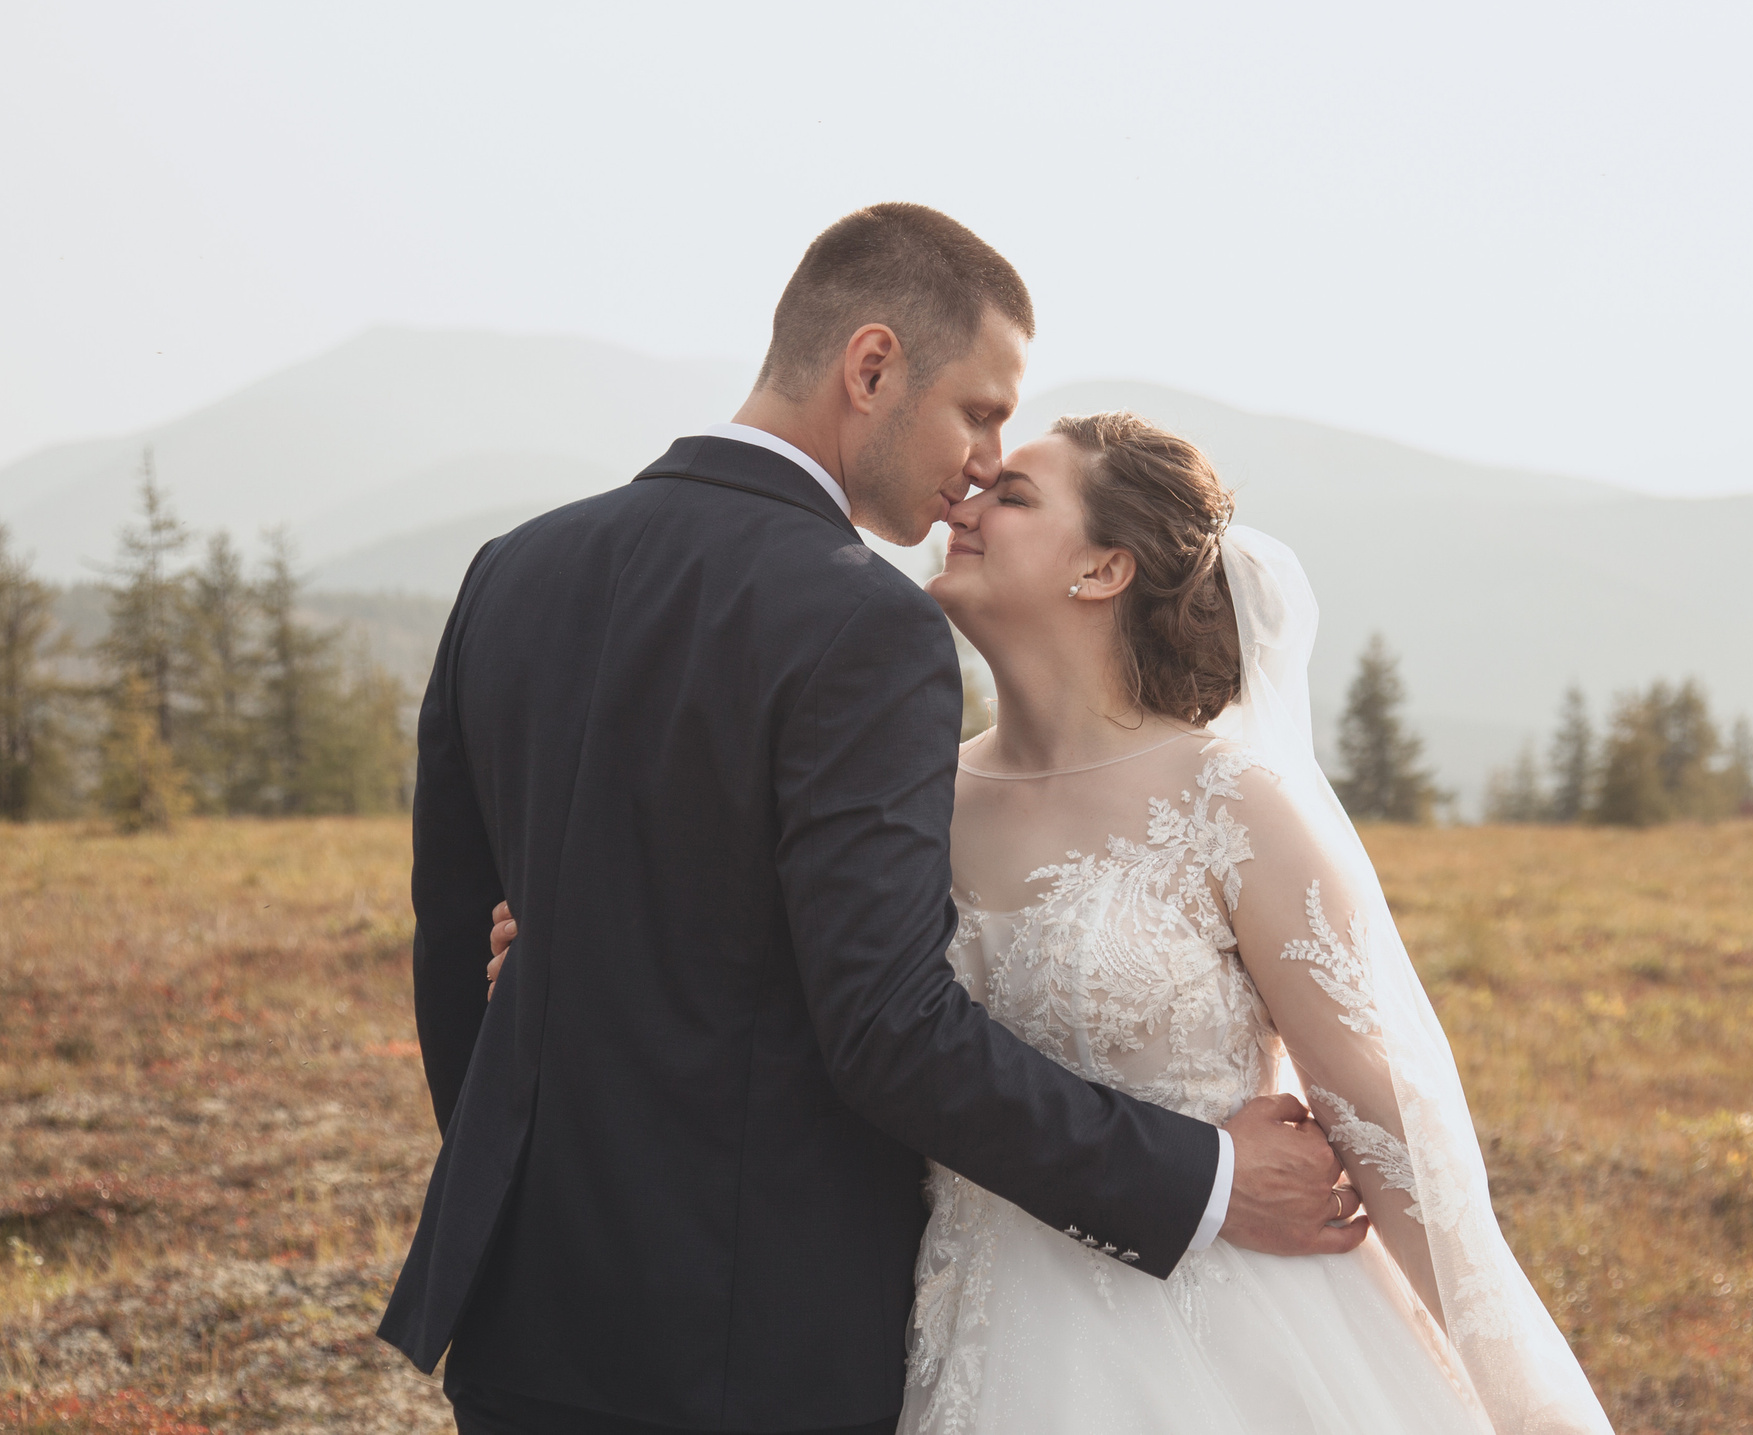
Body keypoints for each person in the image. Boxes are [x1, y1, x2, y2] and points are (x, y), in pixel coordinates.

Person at [379, 202, 1360, 1435]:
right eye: (981, 411)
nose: (980, 463)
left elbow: (453, 944)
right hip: (757, 1350)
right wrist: (1207, 1180)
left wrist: (526, 1182)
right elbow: (887, 1028)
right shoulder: (864, 623)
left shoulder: (511, 572)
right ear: (873, 365)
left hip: (524, 1318)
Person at [493, 415, 1617, 1433]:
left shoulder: (1233, 805)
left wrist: (1524, 1404)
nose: (962, 502)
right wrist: (574, 953)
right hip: (951, 1337)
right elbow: (802, 1004)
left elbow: (1385, 1130)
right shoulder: (910, 795)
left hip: (1223, 1345)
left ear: (1104, 566)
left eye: (1014, 495)